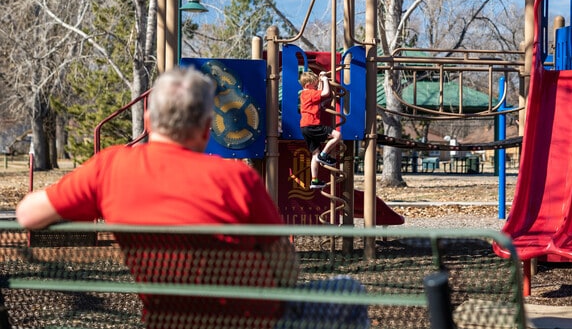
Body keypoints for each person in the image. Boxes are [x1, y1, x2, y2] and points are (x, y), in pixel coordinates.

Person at [16, 66, 367, 329]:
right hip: (256, 323)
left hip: (169, 322)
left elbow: (29, 215)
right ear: (205, 128)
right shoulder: (237, 179)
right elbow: (287, 275)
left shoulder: (109, 168)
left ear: (150, 118)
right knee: (349, 292)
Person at [298, 70, 342, 189]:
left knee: (314, 154)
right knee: (337, 136)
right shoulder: (309, 93)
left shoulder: (304, 94)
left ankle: (314, 180)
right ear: (308, 85)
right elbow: (326, 93)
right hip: (312, 124)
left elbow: (320, 92)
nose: (317, 86)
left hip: (304, 127)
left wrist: (321, 78)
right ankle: (324, 155)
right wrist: (325, 80)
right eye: (315, 84)